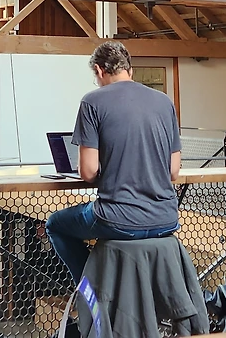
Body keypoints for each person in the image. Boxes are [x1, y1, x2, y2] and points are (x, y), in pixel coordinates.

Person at [45, 41, 181, 281]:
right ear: (130, 70)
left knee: (55, 225)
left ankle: (92, 290)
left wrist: (111, 168)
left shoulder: (92, 102)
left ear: (99, 71)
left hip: (117, 217)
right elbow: (173, 170)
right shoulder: (164, 101)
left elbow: (88, 172)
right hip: (166, 217)